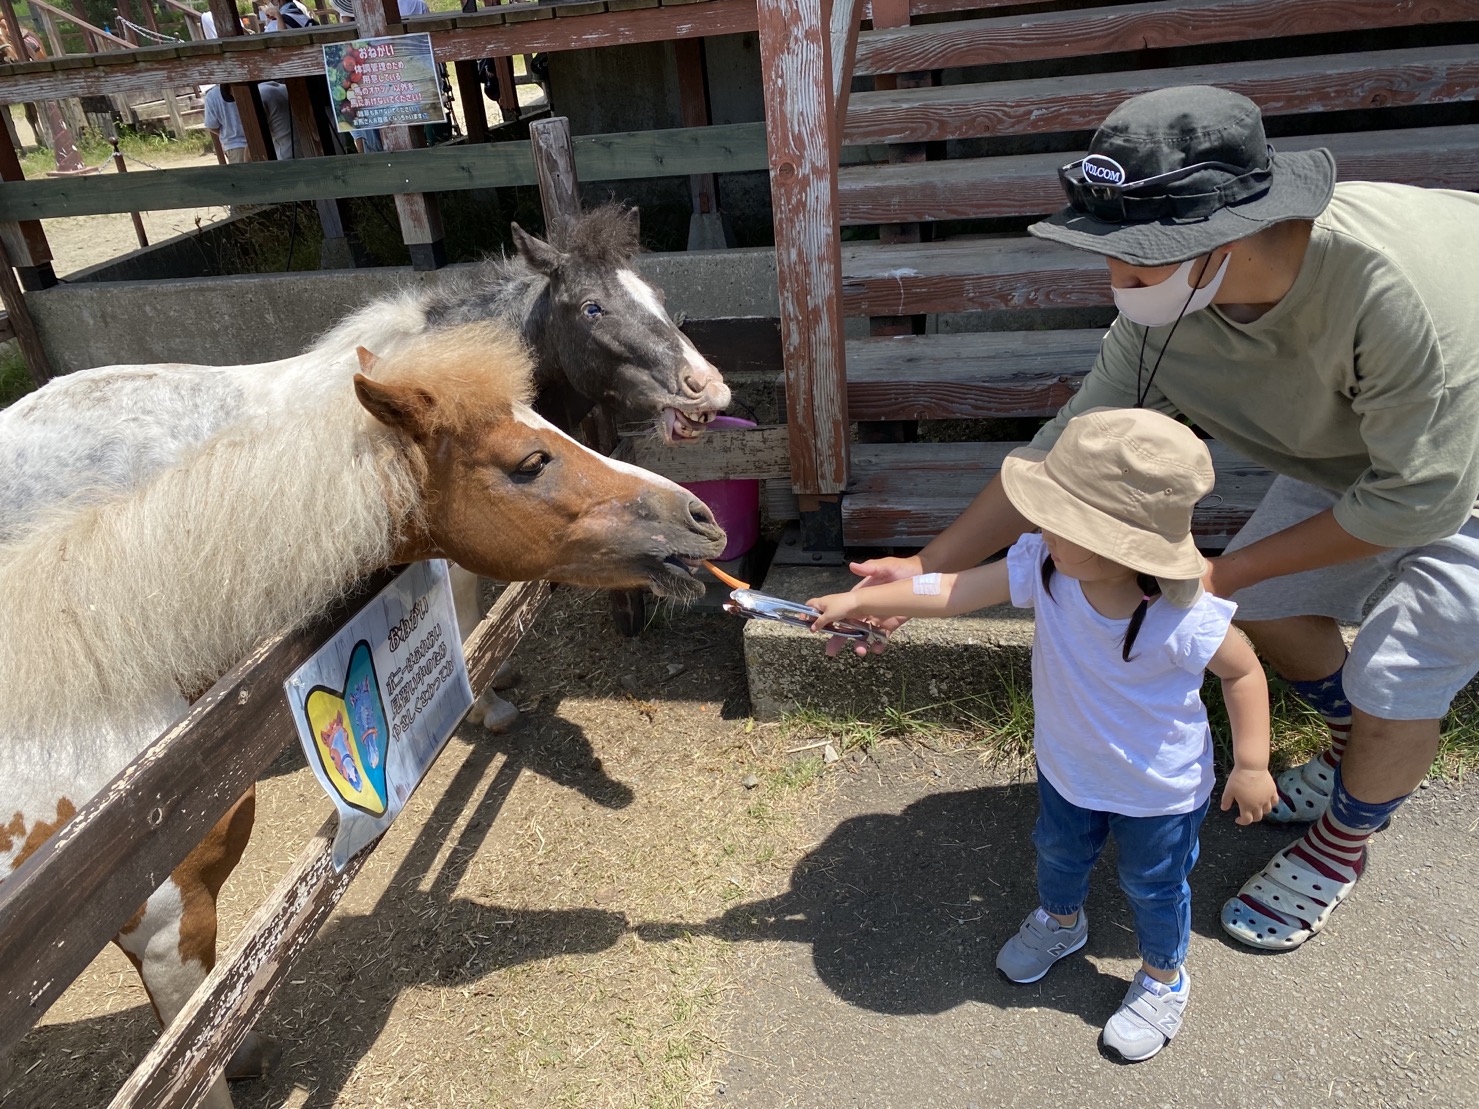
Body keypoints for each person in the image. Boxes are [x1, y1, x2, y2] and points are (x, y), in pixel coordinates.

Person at [834, 85, 1479, 953]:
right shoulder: (1166, 308)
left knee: (1398, 677)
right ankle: (1340, 752)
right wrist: (922, 568)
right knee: (1266, 614)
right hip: (1360, 448)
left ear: (1223, 238)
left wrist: (1219, 573)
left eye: (1131, 261)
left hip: (1460, 449)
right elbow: (1058, 453)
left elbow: (1417, 500)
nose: (1112, 283)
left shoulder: (1382, 296)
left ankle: (1343, 840)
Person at [808, 407, 1277, 1061]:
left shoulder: (1183, 617)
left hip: (1158, 790)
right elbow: (954, 590)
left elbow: (1244, 669)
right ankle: (1061, 922)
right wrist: (861, 602)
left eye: (1067, 520)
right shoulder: (1047, 565)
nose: (1042, 526)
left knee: (1154, 884)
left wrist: (1251, 762)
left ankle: (1163, 975)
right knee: (1056, 855)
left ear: (1130, 540)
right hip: (1067, 768)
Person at [202, 83, 248, 164]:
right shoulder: (250, 86)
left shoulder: (212, 95)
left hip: (235, 144)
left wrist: (226, 133)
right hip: (261, 141)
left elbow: (211, 125)